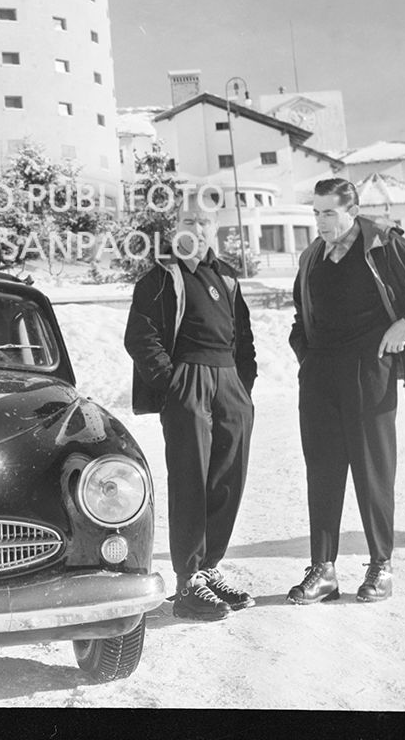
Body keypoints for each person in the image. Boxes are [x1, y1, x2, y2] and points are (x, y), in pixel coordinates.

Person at [287, 178, 405, 605]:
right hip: (320, 374)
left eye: (329, 212)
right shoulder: (312, 255)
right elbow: (300, 312)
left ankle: (381, 565)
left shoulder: (384, 245)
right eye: (316, 212)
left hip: (370, 370)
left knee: (373, 470)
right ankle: (323, 569)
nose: (321, 221)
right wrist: (306, 356)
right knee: (322, 472)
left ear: (353, 210)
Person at [124, 200, 258, 620]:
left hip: (228, 384)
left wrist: (242, 386)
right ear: (174, 226)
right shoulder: (162, 277)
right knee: (191, 480)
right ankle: (188, 583)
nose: (195, 229)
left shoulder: (227, 278)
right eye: (187, 221)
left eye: (203, 222)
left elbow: (244, 338)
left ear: (214, 228)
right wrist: (172, 385)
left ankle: (209, 568)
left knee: (227, 479)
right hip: (189, 383)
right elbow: (140, 337)